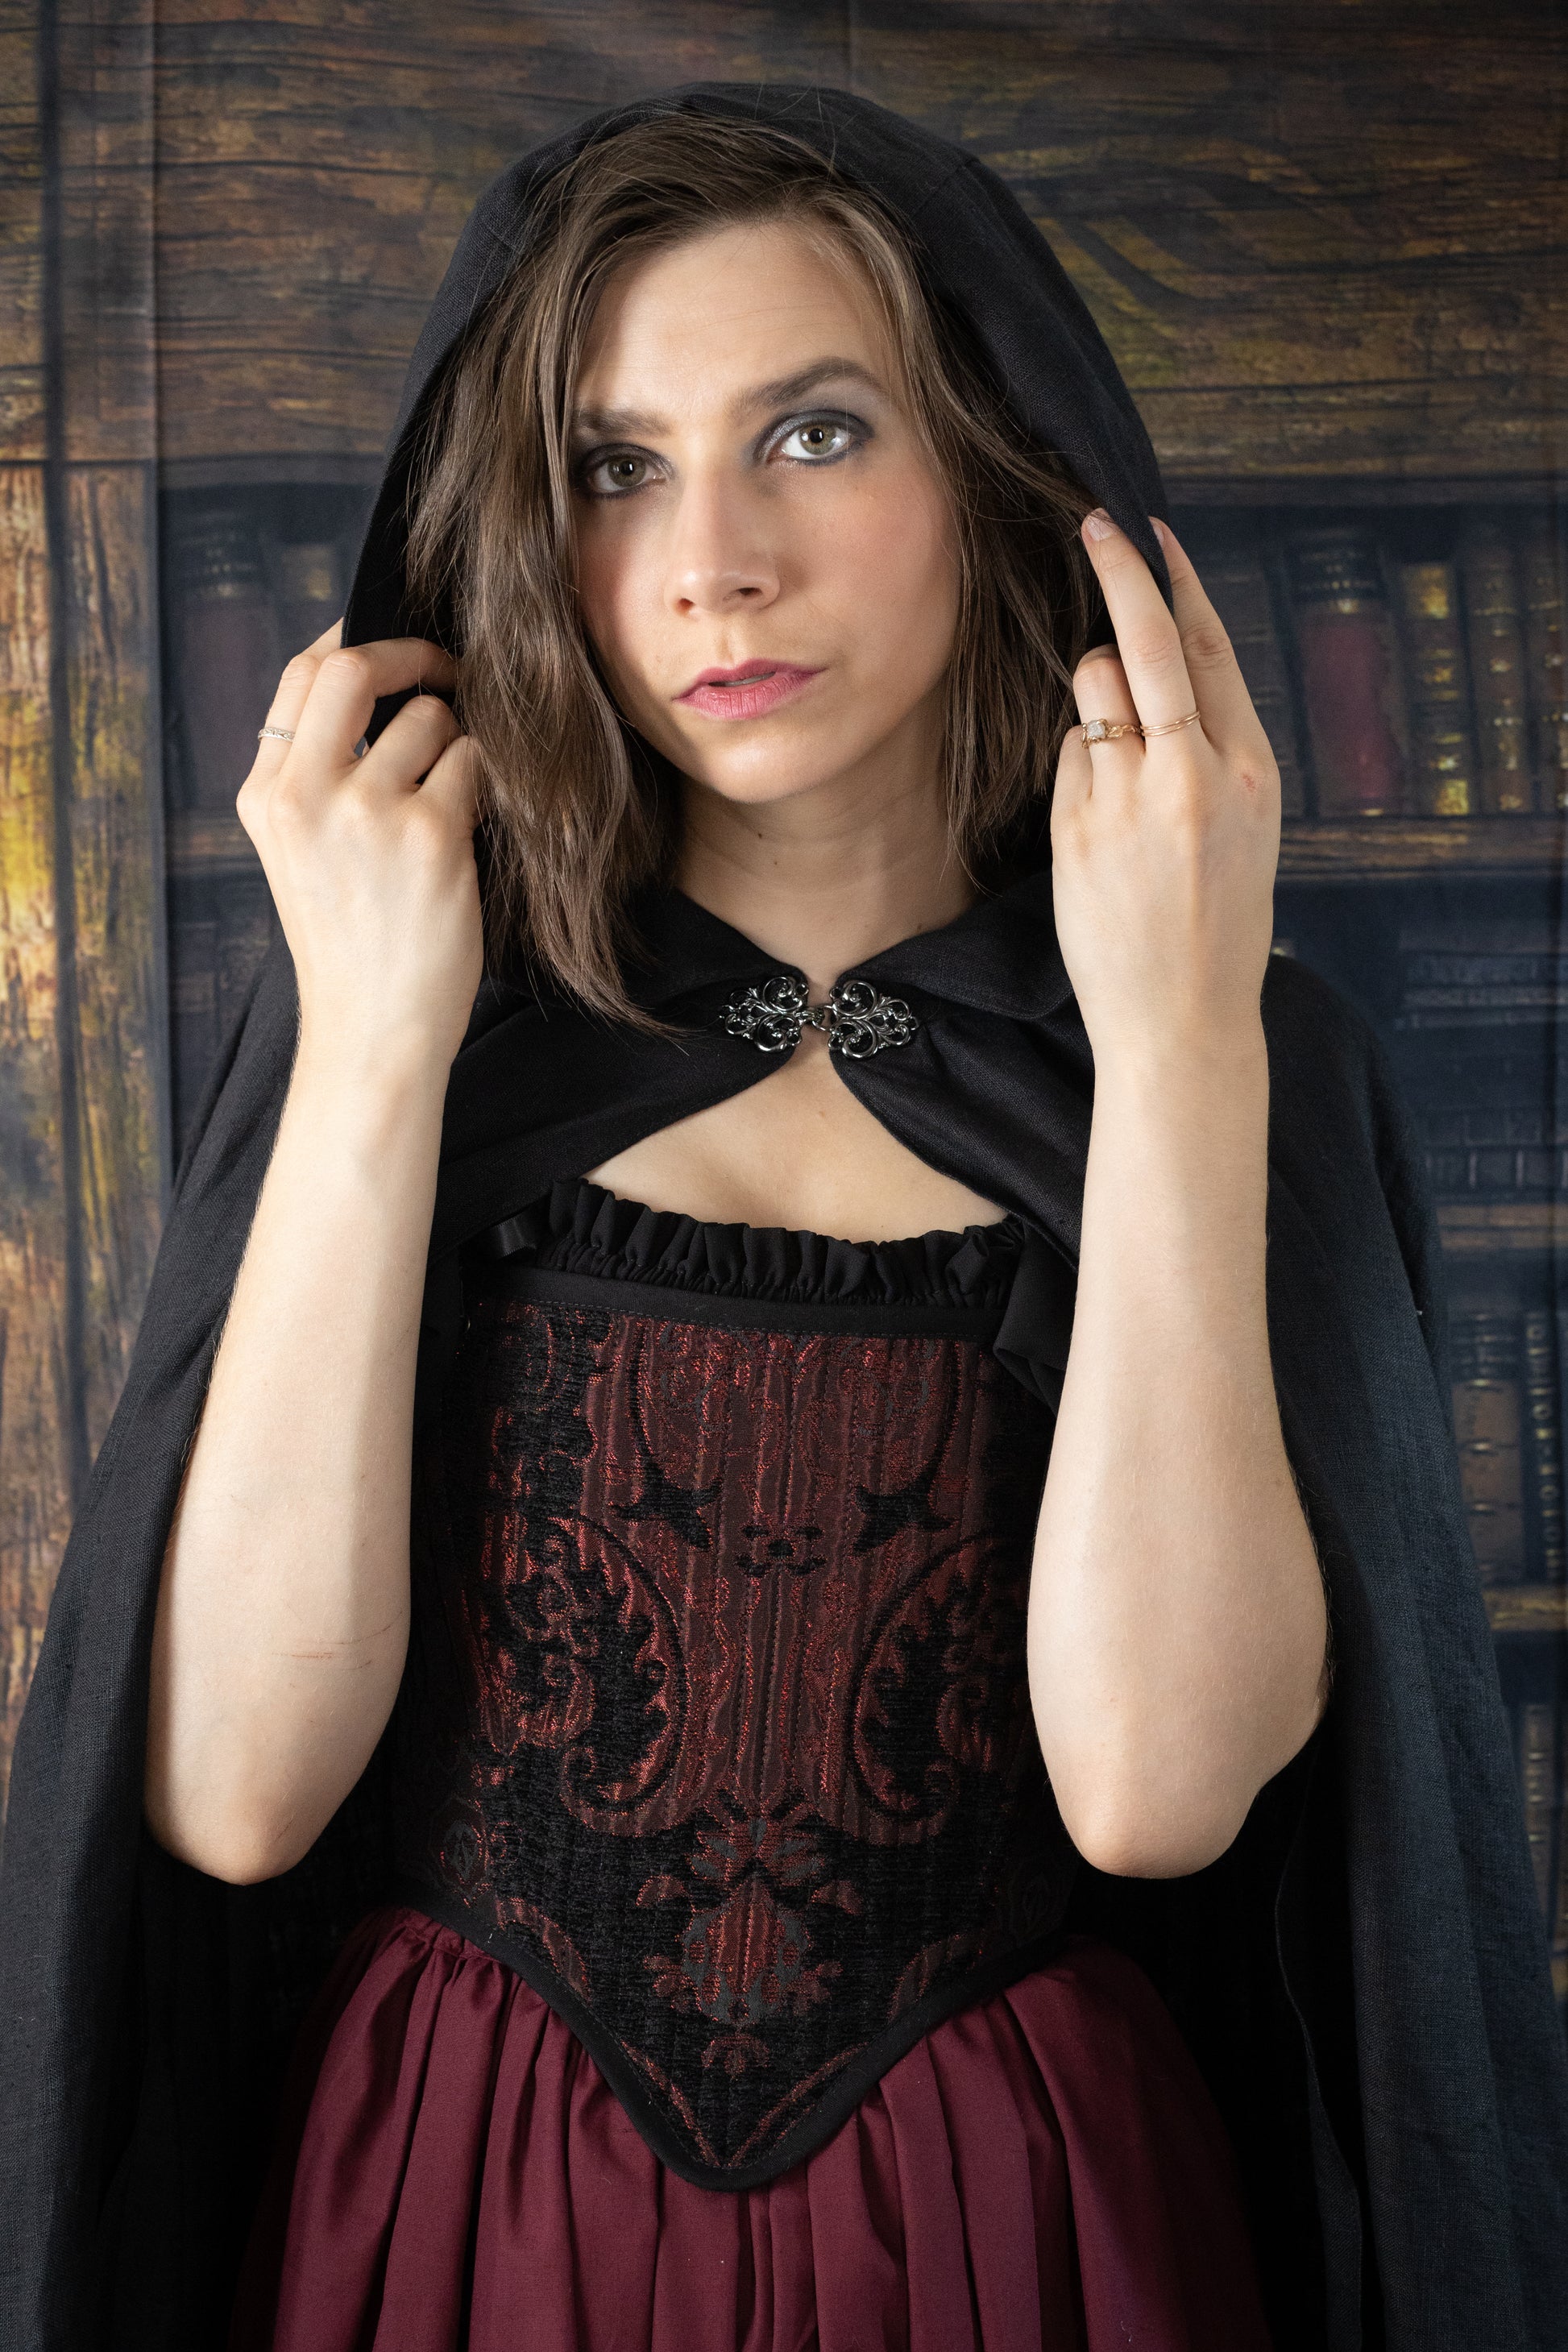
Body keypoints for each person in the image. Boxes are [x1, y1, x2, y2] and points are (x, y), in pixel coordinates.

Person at [2, 83, 1565, 2352]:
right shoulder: (396, 1031)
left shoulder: (1241, 1055)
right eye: (614, 465)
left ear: (1002, 475)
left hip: (1027, 2233)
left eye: (813, 434)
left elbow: (1150, 1796)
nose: (709, 559)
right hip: (445, 2224)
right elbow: (236, 1799)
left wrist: (1177, 1043)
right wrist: (369, 1053)